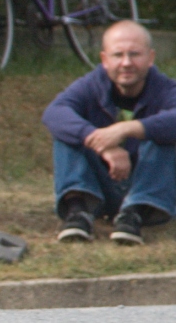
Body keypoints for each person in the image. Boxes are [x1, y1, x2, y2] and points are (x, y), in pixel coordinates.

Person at [42, 20, 176, 244]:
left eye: (135, 54)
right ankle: (78, 211)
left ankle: (134, 214)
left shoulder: (166, 89)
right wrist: (101, 143)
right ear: (104, 60)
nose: (126, 63)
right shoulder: (90, 85)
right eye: (118, 55)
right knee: (68, 133)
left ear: (150, 58)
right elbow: (54, 113)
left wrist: (128, 128)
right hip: (102, 187)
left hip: (152, 188)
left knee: (164, 133)